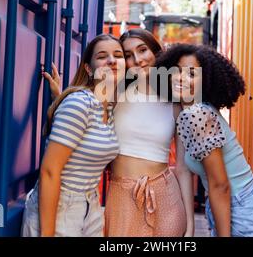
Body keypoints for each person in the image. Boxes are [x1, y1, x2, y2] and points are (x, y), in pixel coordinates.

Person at [44, 29, 195, 237]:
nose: (138, 60)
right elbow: (84, 117)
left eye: (143, 50)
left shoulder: (176, 102)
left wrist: (190, 224)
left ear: (156, 52)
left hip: (166, 196)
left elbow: (182, 168)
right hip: (122, 196)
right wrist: (60, 97)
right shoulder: (114, 94)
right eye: (128, 55)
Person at [155, 44, 253, 237]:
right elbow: (182, 168)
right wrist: (189, 227)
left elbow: (220, 185)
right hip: (229, 208)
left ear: (206, 81)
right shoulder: (187, 110)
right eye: (177, 71)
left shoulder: (199, 114)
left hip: (243, 214)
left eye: (192, 74)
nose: (181, 78)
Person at [21, 34, 125, 237]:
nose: (112, 60)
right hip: (60, 208)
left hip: (91, 206)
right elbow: (50, 172)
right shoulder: (79, 104)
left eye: (118, 55)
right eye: (102, 56)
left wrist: (58, 97)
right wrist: (47, 233)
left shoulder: (109, 109)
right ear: (88, 68)